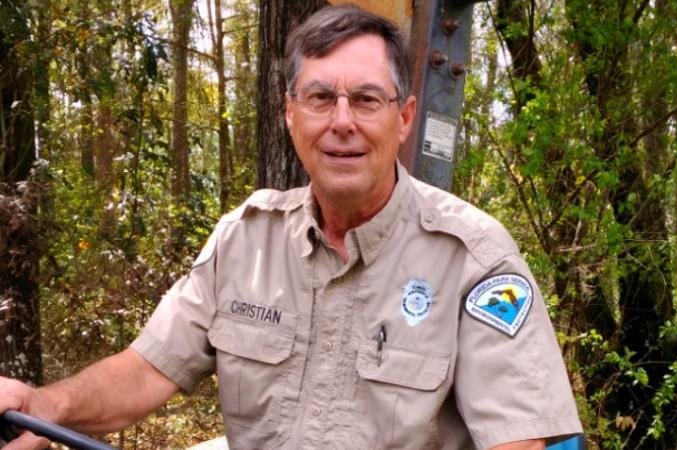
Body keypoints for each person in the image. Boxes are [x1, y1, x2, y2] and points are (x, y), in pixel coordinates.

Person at [0, 5, 582, 450]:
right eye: (321, 97)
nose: (342, 122)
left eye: (367, 99)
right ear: (289, 114)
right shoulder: (245, 239)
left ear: (404, 119)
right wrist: (44, 404)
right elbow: (147, 369)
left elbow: (518, 441)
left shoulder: (474, 259)